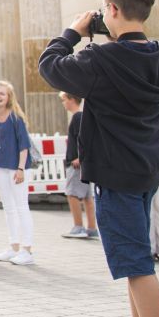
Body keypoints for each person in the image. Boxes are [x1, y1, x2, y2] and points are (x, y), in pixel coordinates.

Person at [39, 0, 159, 317]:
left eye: (104, 7)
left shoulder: (102, 59)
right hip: (147, 166)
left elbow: (51, 67)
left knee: (136, 265)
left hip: (115, 172)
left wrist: (73, 32)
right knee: (135, 261)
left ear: (113, 11)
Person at [0, 80, 34, 265]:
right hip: (1, 167)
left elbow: (24, 145)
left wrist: (20, 168)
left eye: (2, 94)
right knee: (8, 208)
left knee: (21, 207)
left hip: (17, 168)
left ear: (8, 98)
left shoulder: (15, 118)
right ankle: (13, 247)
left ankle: (27, 250)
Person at [59, 92, 98, 239]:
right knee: (88, 196)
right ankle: (92, 228)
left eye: (64, 100)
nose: (63, 104)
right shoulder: (83, 117)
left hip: (75, 163)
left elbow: (83, 139)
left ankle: (78, 227)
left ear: (71, 99)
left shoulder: (77, 117)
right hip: (84, 163)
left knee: (72, 194)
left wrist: (78, 157)